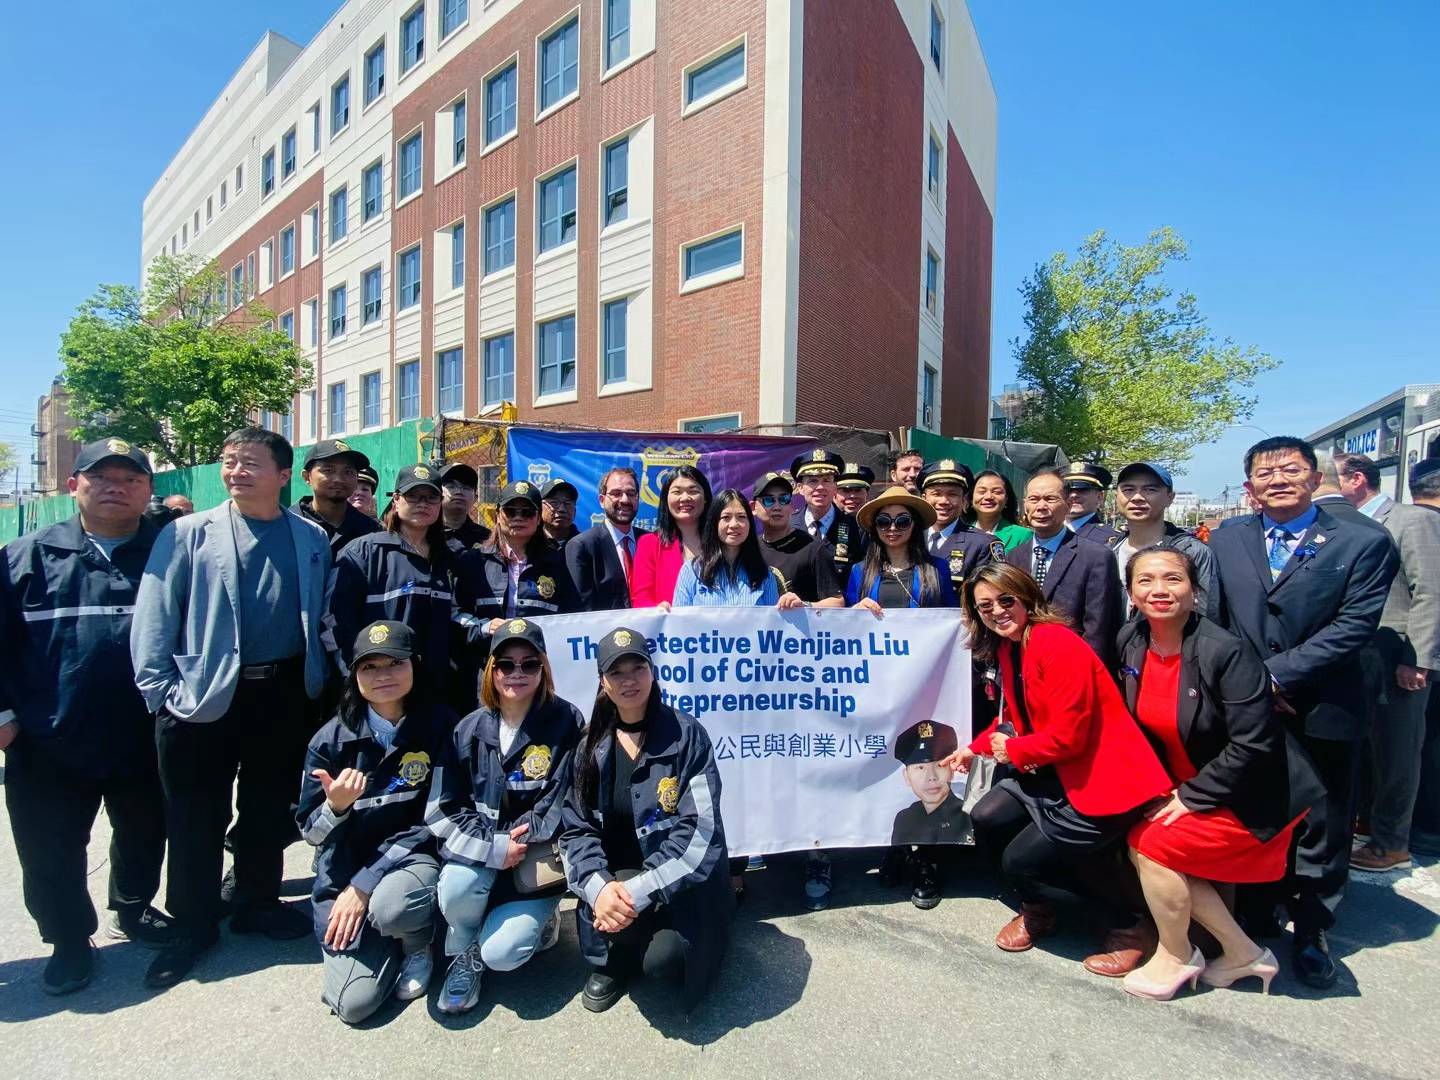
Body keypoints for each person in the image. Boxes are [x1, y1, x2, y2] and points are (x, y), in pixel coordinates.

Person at [132, 427, 333, 988]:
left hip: (283, 692)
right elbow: (154, 615)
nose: (236, 472)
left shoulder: (310, 537)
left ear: (283, 474)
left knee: (267, 807)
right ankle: (192, 923)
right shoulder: (186, 533)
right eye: (229, 462)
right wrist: (161, 693)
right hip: (202, 696)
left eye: (250, 463)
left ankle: (256, 901)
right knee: (197, 814)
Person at [1208, 435, 1396, 989]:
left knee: (1324, 819)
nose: (1278, 480)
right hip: (1246, 703)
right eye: (1265, 473)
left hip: (1324, 702)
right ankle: (1258, 910)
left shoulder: (1363, 540)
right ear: (1250, 487)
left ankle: (1314, 928)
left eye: (1290, 470)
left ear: (1315, 479)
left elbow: (1354, 625)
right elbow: (1217, 616)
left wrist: (1277, 675)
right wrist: (1244, 681)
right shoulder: (1229, 537)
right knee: (1258, 808)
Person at [0, 439, 172, 994]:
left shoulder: (170, 552)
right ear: (74, 485)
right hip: (49, 737)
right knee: (49, 848)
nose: (117, 488)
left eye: (131, 479)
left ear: (148, 490)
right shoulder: (24, 557)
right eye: (102, 478)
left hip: (144, 732)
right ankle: (69, 939)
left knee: (145, 830)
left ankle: (133, 907)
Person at [1118, 547, 1323, 1000]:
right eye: (1145, 581)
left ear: (1195, 591)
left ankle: (1176, 954)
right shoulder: (1131, 639)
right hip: (1186, 781)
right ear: (1131, 594)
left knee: (1150, 845)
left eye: (1173, 579)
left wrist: (1191, 796)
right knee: (1135, 833)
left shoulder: (1226, 651)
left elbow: (1254, 745)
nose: (1159, 590)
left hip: (1253, 792)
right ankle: (1243, 952)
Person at [951, 563, 1171, 955]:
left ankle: (1129, 925)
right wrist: (975, 748)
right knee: (985, 817)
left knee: (1020, 862)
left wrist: (1011, 751)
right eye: (985, 607)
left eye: (1006, 600)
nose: (997, 611)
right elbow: (1015, 719)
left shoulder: (1055, 643)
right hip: (1054, 769)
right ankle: (1040, 909)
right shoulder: (1010, 646)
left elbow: (1069, 737)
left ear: (1026, 598)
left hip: (1101, 778)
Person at [559, 627, 732, 1013]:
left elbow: (700, 832)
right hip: (618, 878)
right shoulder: (589, 747)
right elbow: (575, 830)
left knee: (664, 964)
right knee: (615, 913)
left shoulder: (688, 736)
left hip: (681, 884)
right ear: (603, 682)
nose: (629, 680)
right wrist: (600, 889)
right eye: (616, 672)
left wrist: (639, 890)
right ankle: (618, 953)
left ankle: (652, 936)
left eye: (638, 668)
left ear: (652, 672)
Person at [425, 618, 583, 1013]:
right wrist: (492, 846)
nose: (517, 673)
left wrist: (517, 842)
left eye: (529, 664)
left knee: (503, 953)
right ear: (490, 670)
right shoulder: (467, 728)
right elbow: (442, 808)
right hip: (482, 855)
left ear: (543, 669)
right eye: (506, 664)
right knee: (456, 887)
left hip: (533, 860)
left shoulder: (567, 722)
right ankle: (464, 953)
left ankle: (539, 921)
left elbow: (564, 800)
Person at [296, 621, 450, 1024]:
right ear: (354, 674)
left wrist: (367, 883)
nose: (383, 675)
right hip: (342, 878)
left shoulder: (440, 727)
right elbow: (309, 832)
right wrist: (336, 808)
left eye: (395, 663)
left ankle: (417, 944)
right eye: (370, 667)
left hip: (409, 864)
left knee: (392, 906)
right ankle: (386, 942)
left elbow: (439, 819)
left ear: (415, 665)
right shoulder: (329, 741)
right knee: (354, 1004)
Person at [846, 485, 958, 908]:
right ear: (874, 528)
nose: (892, 528)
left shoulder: (937, 570)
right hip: (879, 688)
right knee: (887, 768)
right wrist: (854, 613)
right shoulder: (860, 572)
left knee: (927, 770)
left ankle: (927, 862)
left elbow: (953, 623)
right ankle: (893, 849)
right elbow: (844, 631)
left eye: (902, 520)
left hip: (926, 689)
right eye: (884, 521)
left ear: (915, 526)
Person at [1337, 454, 1440, 873]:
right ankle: (1368, 820)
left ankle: (1392, 843)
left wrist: (1418, 660)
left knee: (1398, 750)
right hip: (1360, 655)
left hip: (1399, 655)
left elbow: (1430, 591)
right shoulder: (1347, 526)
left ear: (1357, 480)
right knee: (1369, 746)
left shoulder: (1412, 520)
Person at [750, 469, 845, 907]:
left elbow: (836, 602)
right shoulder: (746, 548)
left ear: (795, 504)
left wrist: (803, 605)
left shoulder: (813, 548)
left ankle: (817, 855)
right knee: (763, 764)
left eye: (783, 498)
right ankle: (761, 840)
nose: (776, 505)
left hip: (803, 680)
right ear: (755, 507)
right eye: (767, 499)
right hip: (756, 679)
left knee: (809, 769)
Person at [330, 466, 462, 696]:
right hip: (381, 686)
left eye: (431, 497)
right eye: (413, 496)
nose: (422, 504)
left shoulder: (450, 558)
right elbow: (336, 619)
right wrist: (354, 672)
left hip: (435, 687)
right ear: (396, 500)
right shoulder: (364, 551)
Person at [452, 482, 579, 713]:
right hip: (487, 672)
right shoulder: (472, 561)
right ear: (498, 515)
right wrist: (483, 627)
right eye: (511, 511)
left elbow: (571, 619)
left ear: (538, 518)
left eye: (527, 512)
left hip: (538, 674)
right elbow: (454, 615)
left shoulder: (557, 563)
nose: (518, 518)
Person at [1006, 470, 1123, 669]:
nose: (1041, 507)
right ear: (1025, 505)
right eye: (1034, 499)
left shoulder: (1096, 557)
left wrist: (1084, 672)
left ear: (1068, 504)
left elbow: (1099, 628)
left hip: (1071, 666)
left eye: (1050, 499)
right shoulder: (1014, 556)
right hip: (1023, 664)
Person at [1112, 462, 1216, 619]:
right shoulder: (1108, 552)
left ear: (1170, 498)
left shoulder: (1192, 552)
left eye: (1150, 490)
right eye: (1128, 490)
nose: (1137, 497)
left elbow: (1206, 616)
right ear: (1117, 497)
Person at [673, 488, 782, 608]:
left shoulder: (764, 575)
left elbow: (774, 618)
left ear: (750, 524)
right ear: (715, 523)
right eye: (726, 517)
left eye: (741, 517)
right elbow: (679, 618)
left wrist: (788, 609)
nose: (734, 524)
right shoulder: (692, 571)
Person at [632, 465, 711, 608]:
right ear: (666, 499)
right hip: (667, 622)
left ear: (705, 498)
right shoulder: (649, 543)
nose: (685, 498)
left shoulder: (719, 541)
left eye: (693, 491)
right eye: (677, 492)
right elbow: (641, 598)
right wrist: (656, 610)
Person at [567, 466, 644, 611]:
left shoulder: (650, 541)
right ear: (602, 500)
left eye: (631, 493)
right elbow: (583, 607)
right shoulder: (583, 546)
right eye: (616, 493)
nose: (625, 500)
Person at [920, 459, 1001, 595]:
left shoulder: (983, 544)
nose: (944, 501)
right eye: (936, 494)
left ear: (964, 500)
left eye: (952, 494)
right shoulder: (910, 537)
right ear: (924, 499)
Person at [292, 439, 382, 561]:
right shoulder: (288, 525)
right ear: (307, 477)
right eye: (328, 470)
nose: (338, 479)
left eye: (348, 472)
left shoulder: (371, 531)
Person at [890, 720, 971, 846]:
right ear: (906, 776)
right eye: (921, 768)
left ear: (951, 770)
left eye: (939, 765)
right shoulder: (905, 819)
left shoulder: (967, 814)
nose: (931, 777)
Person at [791, 449, 867, 583]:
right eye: (813, 481)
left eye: (826, 481)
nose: (820, 487)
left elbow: (862, 576)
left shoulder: (855, 528)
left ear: (835, 487)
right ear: (800, 488)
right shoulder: (788, 526)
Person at [969, 469, 1032, 553]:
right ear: (971, 498)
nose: (988, 497)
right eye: (982, 492)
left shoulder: (1022, 535)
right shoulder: (959, 532)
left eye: (997, 492)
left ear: (1007, 499)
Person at [1061, 462, 1121, 545]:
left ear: (1099, 497)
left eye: (1082, 490)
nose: (1073, 495)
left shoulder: (1112, 540)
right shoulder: (1046, 532)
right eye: (1067, 490)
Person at [439, 462, 492, 549]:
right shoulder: (423, 534)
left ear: (475, 498)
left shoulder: (487, 538)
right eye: (451, 486)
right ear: (437, 494)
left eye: (466, 487)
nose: (459, 492)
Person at [540, 477, 581, 551]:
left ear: (574, 511)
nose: (561, 509)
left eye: (567, 503)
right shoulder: (527, 543)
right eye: (554, 502)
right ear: (541, 508)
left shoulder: (585, 545)